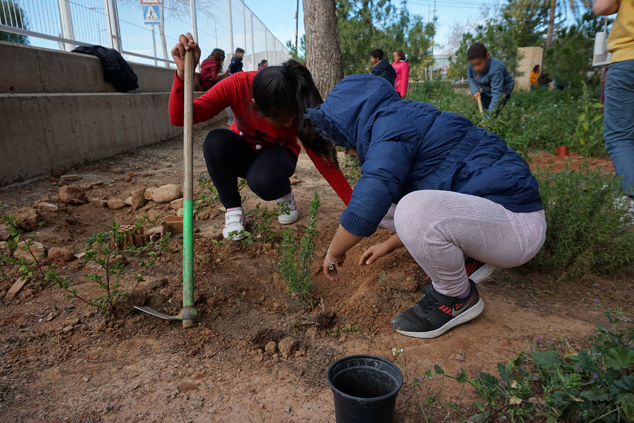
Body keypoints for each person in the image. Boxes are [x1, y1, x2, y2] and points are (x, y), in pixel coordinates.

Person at [307, 74, 545, 339]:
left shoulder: (389, 131)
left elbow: (370, 203)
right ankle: (471, 260)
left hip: (517, 225)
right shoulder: (401, 117)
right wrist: (388, 245)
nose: (346, 151)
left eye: (342, 141)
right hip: (494, 214)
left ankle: (456, 298)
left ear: (352, 127)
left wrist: (333, 253)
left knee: (403, 205)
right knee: (391, 206)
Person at [169, 34, 352, 241]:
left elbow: (324, 161)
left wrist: (357, 208)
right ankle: (233, 210)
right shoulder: (237, 85)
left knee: (263, 182)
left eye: (292, 118)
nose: (289, 125)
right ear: (256, 105)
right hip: (244, 150)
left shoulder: (295, 96)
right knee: (215, 141)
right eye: (281, 120)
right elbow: (180, 118)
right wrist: (183, 74)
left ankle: (283, 193)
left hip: (279, 154)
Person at [594, 0, 634, 199]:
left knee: (620, 137)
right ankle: (623, 190)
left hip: (628, 56)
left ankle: (630, 196)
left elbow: (602, 7)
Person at [467, 42, 515, 114]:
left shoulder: (496, 68)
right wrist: (474, 88)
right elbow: (470, 77)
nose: (477, 68)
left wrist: (488, 118)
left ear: (487, 56)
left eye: (479, 64)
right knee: (484, 111)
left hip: (503, 90)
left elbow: (497, 95)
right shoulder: (471, 64)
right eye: (474, 65)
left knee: (494, 113)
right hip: (487, 90)